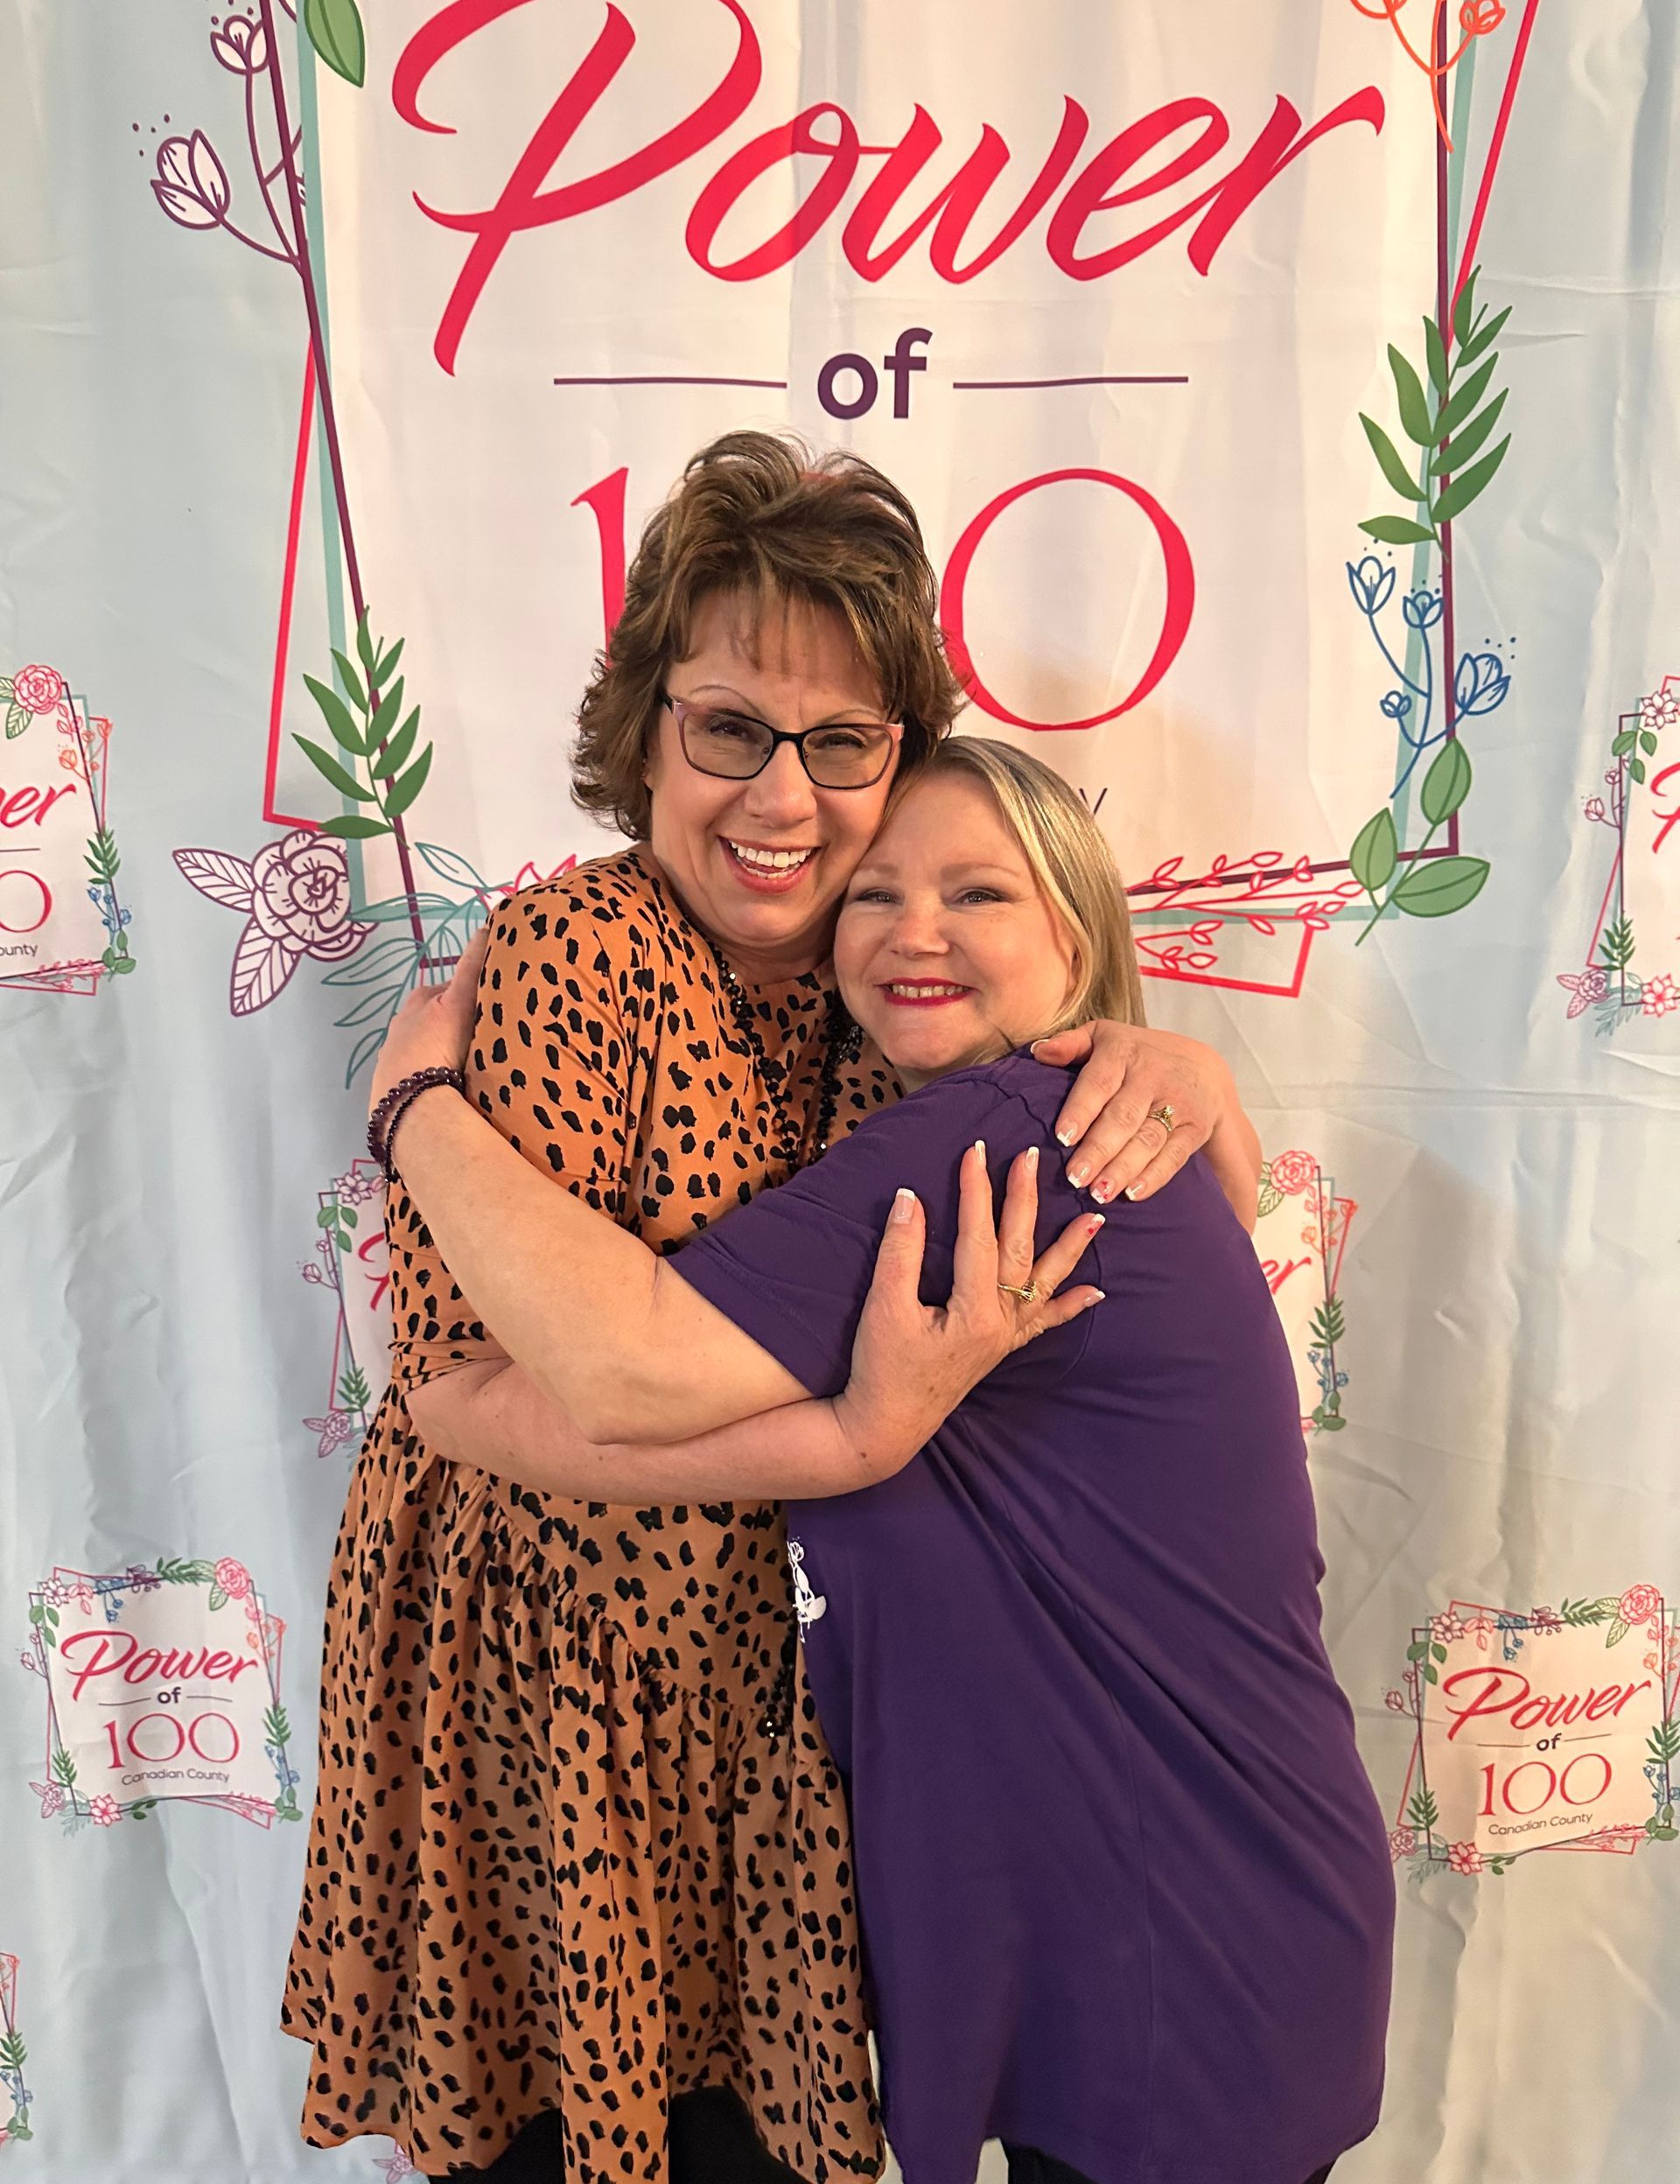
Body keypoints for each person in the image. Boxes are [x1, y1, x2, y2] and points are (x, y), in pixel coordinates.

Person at [284, 432, 1264, 2184]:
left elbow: (1136, 1182)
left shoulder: (886, 979)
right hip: (558, 1683)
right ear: (649, 729)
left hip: (776, 1683)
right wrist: (415, 1109)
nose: (784, 799)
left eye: (840, 742)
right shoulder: (570, 954)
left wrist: (1151, 1039)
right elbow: (508, 1385)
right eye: (731, 725)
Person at [383, 737, 1395, 2184]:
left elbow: (623, 1367)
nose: (912, 931)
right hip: (1190, 1899)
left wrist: (415, 1121)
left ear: (1078, 941)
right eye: (876, 895)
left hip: (1180, 1929)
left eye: (978, 893)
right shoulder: (1034, 1122)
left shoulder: (994, 1135)